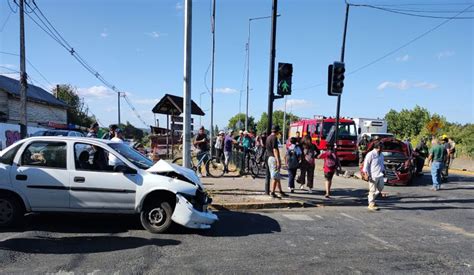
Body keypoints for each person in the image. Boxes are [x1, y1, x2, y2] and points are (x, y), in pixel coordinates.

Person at [266, 125, 287, 198]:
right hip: (273, 158)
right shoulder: (274, 138)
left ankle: (280, 191)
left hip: (269, 158)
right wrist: (278, 161)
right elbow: (275, 150)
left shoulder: (268, 137)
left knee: (277, 176)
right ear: (277, 131)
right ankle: (272, 192)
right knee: (275, 176)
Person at [363, 142, 385, 211]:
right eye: (382, 147)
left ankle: (371, 199)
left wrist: (384, 170)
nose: (383, 148)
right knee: (372, 190)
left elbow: (382, 164)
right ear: (378, 147)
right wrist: (366, 174)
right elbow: (366, 165)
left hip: (380, 174)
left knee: (380, 188)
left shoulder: (381, 155)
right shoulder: (371, 154)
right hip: (372, 175)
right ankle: (371, 203)